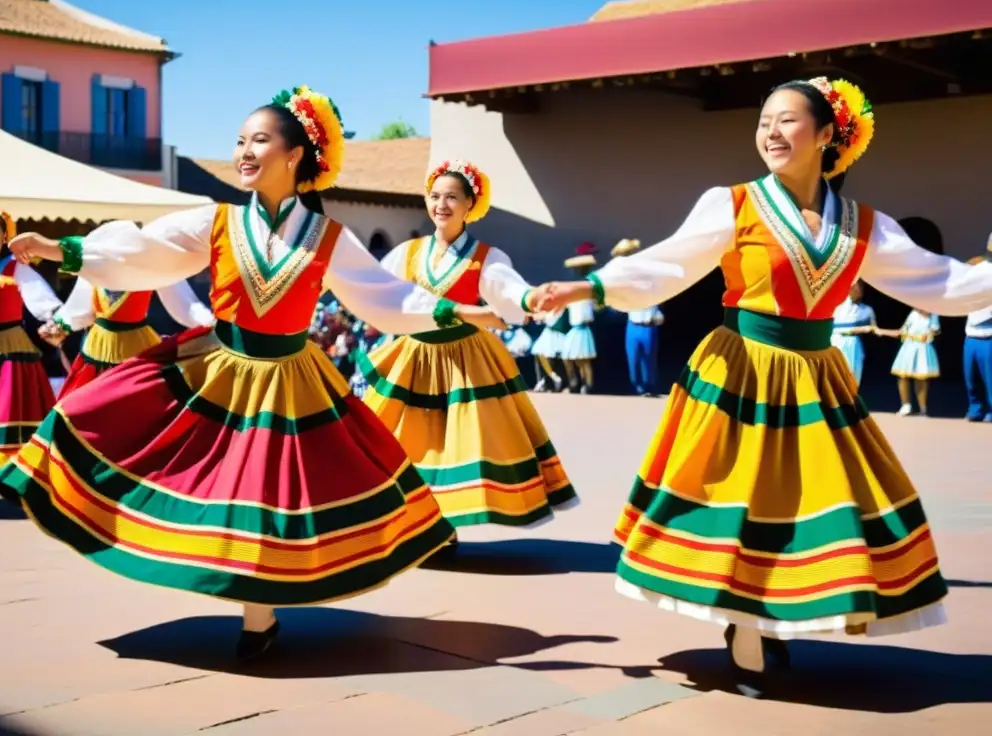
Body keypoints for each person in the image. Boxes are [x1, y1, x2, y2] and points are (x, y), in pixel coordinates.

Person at [0, 86, 505, 661]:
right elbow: (146, 253)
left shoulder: (329, 237)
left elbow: (383, 294)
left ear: (295, 156)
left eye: (259, 139)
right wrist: (66, 251)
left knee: (264, 492)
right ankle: (206, 577)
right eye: (239, 140)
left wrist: (456, 310)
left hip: (288, 379)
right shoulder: (218, 220)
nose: (243, 151)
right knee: (120, 428)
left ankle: (259, 619)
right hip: (218, 368)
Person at [534, 76, 992, 697]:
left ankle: (774, 611)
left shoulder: (863, 226)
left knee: (805, 502)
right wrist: (588, 288)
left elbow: (937, 282)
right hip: (741, 370)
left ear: (828, 135)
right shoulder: (733, 203)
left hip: (815, 375)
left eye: (787, 121)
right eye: (763, 122)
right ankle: (746, 624)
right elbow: (669, 262)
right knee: (742, 497)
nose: (771, 133)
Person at [357, 160, 577, 535]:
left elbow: (510, 292)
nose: (441, 204)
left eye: (452, 197)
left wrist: (530, 298)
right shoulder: (408, 254)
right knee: (404, 441)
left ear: (470, 205)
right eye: (435, 195)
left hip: (465, 361)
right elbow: (377, 286)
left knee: (460, 443)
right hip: (414, 356)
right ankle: (417, 523)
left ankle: (445, 527)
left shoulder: (486, 257)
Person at [0, 203, 62, 477]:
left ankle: (19, 477)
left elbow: (42, 299)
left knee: (6, 412)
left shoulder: (16, 268)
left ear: (5, 235)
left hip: (8, 352)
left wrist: (56, 321)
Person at [38, 275, 213, 399]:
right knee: (88, 401)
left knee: (137, 402)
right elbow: (81, 309)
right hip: (98, 347)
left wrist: (212, 324)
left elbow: (184, 305)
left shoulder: (150, 265)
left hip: (136, 346)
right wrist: (59, 325)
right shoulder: (95, 265)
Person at [613, 239, 665, 396]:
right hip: (633, 325)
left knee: (648, 358)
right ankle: (637, 386)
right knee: (633, 358)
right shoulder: (627, 278)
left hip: (648, 325)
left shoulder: (652, 284)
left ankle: (649, 386)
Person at [878, 308, 940, 415]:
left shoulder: (933, 314)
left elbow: (936, 330)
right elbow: (902, 331)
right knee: (902, 376)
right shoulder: (913, 313)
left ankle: (923, 408)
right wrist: (882, 331)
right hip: (908, 346)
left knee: (920, 377)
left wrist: (931, 332)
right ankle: (906, 405)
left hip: (922, 348)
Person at [560, 245, 599, 394]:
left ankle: (587, 384)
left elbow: (596, 305)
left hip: (583, 327)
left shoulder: (590, 284)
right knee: (567, 357)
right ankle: (574, 382)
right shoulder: (572, 285)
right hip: (575, 328)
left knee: (583, 359)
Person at [963, 241, 992, 421]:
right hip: (971, 333)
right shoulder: (978, 266)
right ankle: (975, 409)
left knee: (990, 378)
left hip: (989, 334)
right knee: (970, 377)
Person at [830, 280, 876, 386]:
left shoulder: (866, 310)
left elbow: (875, 329)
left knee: (853, 374)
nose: (856, 290)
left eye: (859, 287)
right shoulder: (836, 306)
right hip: (835, 342)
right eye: (853, 287)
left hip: (854, 344)